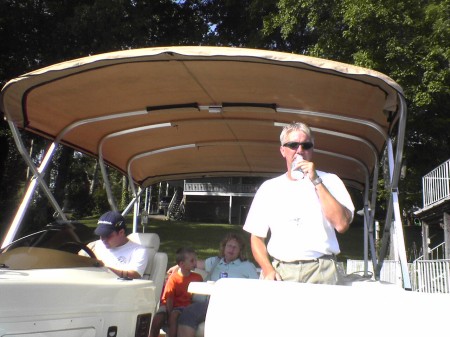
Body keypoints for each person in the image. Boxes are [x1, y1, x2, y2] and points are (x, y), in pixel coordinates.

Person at [243, 122, 355, 285]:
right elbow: (256, 238)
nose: (300, 150)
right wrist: (267, 269)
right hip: (282, 272)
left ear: (312, 149)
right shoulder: (269, 188)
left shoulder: (330, 180)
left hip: (323, 270)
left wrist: (316, 180)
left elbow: (341, 224)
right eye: (293, 145)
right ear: (283, 150)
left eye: (306, 145)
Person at [176, 233, 258, 337]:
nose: (231, 249)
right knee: (189, 312)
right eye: (229, 246)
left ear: (240, 251)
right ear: (224, 247)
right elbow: (193, 264)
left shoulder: (247, 266)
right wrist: (178, 266)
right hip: (211, 304)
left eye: (235, 247)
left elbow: (257, 289)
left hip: (235, 306)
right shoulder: (214, 261)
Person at [149, 247, 203, 337]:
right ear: (182, 264)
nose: (195, 263)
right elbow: (169, 298)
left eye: (195, 260)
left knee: (175, 315)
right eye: (192, 261)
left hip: (188, 307)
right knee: (163, 318)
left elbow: (198, 296)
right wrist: (169, 313)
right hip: (171, 306)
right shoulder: (174, 278)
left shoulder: (197, 277)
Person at [80, 210, 149, 279]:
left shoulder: (138, 251)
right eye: (101, 235)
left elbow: (134, 275)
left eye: (107, 235)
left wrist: (102, 268)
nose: (103, 239)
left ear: (121, 232)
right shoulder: (94, 245)